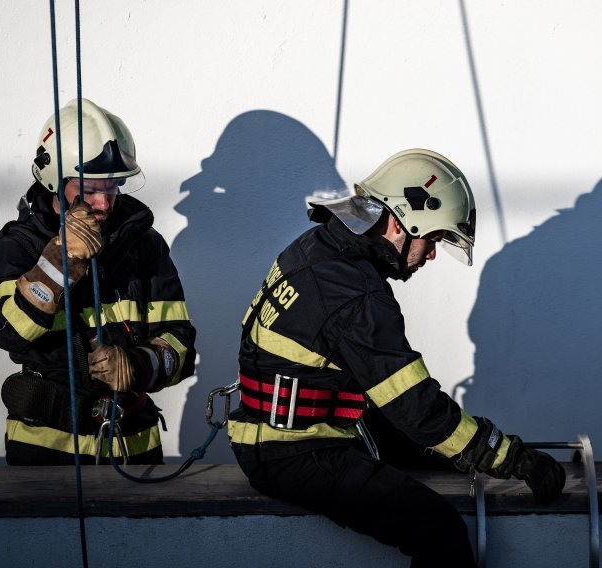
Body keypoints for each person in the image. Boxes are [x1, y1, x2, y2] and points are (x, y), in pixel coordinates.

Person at [228, 149, 565, 567]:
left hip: (287, 432)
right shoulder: (355, 293)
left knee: (438, 450)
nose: (432, 254)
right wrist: (510, 456)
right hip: (295, 452)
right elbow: (415, 406)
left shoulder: (320, 247)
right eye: (434, 239)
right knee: (439, 531)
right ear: (399, 222)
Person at [0, 98, 197, 466]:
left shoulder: (143, 243)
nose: (105, 202)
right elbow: (6, 331)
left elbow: (181, 343)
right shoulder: (20, 245)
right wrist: (56, 264)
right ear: (54, 181)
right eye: (90, 188)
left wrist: (139, 364)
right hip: (47, 448)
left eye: (112, 187)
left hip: (135, 445)